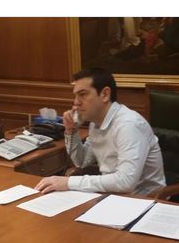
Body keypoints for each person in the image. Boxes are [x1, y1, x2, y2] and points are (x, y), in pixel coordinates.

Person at [35, 68, 166, 195]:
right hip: (113, 195)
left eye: (83, 94)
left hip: (145, 199)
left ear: (105, 94)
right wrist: (71, 132)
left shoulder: (129, 125)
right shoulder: (95, 123)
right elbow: (82, 162)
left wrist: (68, 182)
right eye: (75, 96)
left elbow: (126, 182)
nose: (76, 102)